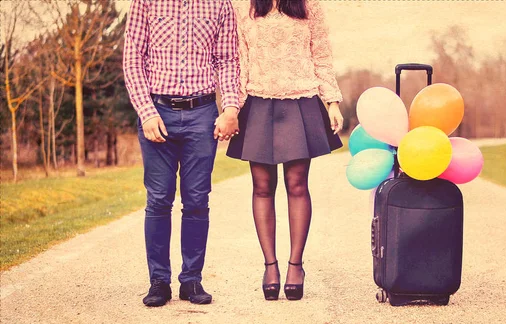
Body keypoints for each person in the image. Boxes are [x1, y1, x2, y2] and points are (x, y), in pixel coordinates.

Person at [123, 0, 240, 307]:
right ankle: (159, 281)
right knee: (159, 199)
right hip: (157, 110)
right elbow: (133, 59)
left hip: (201, 113)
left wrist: (230, 108)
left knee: (197, 200)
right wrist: (146, 113)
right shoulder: (145, 2)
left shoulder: (220, 5)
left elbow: (227, 60)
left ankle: (191, 280)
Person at [227, 0, 344, 301]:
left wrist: (331, 102)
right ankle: (270, 266)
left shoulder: (308, 5)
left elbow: (321, 52)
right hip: (257, 101)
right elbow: (240, 59)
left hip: (301, 99)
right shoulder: (244, 6)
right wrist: (233, 109)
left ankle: (296, 265)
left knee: (296, 184)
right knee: (262, 186)